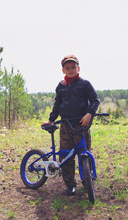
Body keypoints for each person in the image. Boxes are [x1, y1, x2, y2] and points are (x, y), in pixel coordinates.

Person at [41, 54, 100, 196]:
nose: (71, 69)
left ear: (78, 68)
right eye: (67, 68)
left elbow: (95, 100)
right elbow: (57, 105)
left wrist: (89, 114)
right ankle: (70, 184)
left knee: (84, 153)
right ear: (63, 70)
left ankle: (88, 181)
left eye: (73, 67)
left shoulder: (84, 84)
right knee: (66, 156)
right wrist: (51, 120)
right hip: (65, 125)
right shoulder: (61, 86)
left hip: (81, 124)